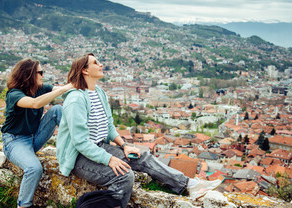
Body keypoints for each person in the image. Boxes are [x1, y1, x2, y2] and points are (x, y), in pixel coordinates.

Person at [56, 53, 222, 208]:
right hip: (78, 157)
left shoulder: (99, 93)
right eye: (95, 63)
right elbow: (80, 142)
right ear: (85, 70)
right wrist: (109, 159)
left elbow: (108, 125)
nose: (101, 65)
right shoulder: (76, 99)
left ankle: (188, 185)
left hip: (99, 147)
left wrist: (124, 145)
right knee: (124, 175)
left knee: (140, 156)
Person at [1, 58, 73, 208]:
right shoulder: (14, 94)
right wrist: (61, 90)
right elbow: (35, 103)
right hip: (14, 141)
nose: (42, 75)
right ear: (29, 75)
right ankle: (24, 205)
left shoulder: (39, 88)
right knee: (34, 169)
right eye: (40, 72)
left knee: (57, 110)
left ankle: (77, 145)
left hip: (33, 137)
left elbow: (62, 89)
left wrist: (76, 85)